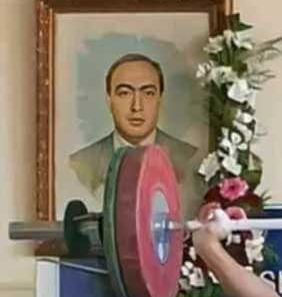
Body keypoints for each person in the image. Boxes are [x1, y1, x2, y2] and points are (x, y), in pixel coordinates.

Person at [69, 54, 199, 200]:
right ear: (109, 101)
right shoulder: (80, 164)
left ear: (160, 100)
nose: (137, 106)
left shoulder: (190, 159)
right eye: (125, 93)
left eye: (148, 93)